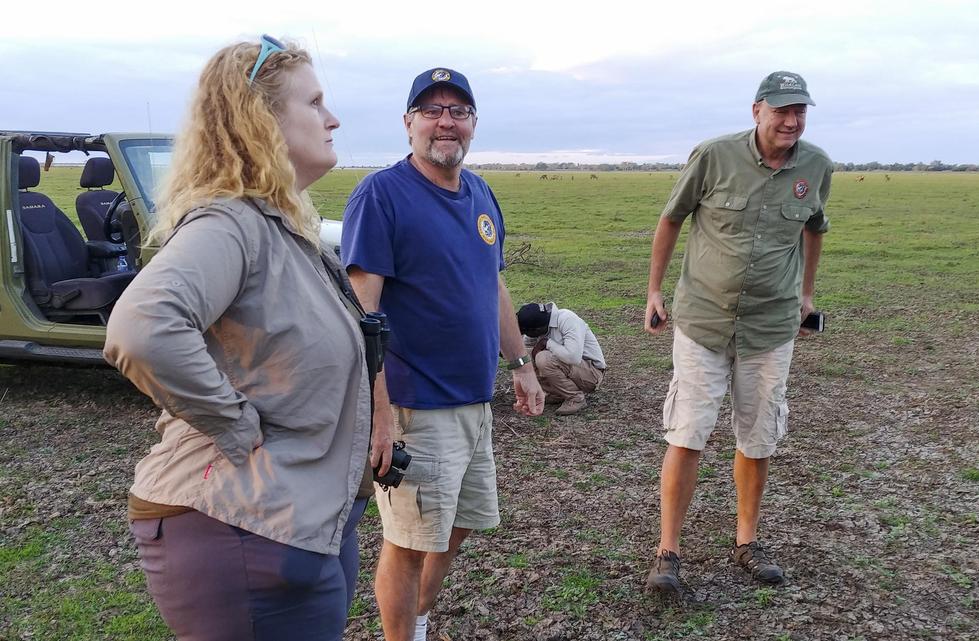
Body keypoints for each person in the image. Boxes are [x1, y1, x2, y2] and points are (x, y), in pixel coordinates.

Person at [104, 36, 373, 640]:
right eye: (315, 103)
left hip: (295, 529)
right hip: (237, 526)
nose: (332, 119)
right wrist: (233, 423)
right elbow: (142, 327)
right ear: (261, 120)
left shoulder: (282, 230)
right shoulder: (230, 222)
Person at [339, 67, 544, 641]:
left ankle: (419, 621)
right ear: (409, 123)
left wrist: (521, 365)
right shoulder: (381, 195)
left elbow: (492, 286)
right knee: (407, 543)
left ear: (473, 124)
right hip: (415, 403)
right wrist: (380, 412)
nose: (445, 122)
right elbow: (363, 314)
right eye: (431, 111)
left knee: (460, 523)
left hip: (473, 400)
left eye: (458, 111)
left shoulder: (480, 193)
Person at [642, 71, 832, 595]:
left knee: (758, 435)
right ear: (757, 110)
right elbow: (671, 218)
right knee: (687, 433)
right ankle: (667, 551)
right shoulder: (714, 156)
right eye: (781, 110)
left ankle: (747, 542)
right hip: (704, 320)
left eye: (799, 111)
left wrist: (807, 296)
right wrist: (654, 291)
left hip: (770, 326)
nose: (791, 121)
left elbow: (815, 228)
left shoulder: (817, 166)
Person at [516, 301, 607, 415]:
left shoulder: (567, 319)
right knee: (523, 359)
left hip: (591, 374)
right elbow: (525, 351)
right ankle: (558, 393)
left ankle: (576, 398)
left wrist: (547, 343)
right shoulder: (539, 325)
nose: (525, 335)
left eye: (525, 332)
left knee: (543, 358)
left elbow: (573, 357)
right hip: (573, 369)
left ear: (536, 330)